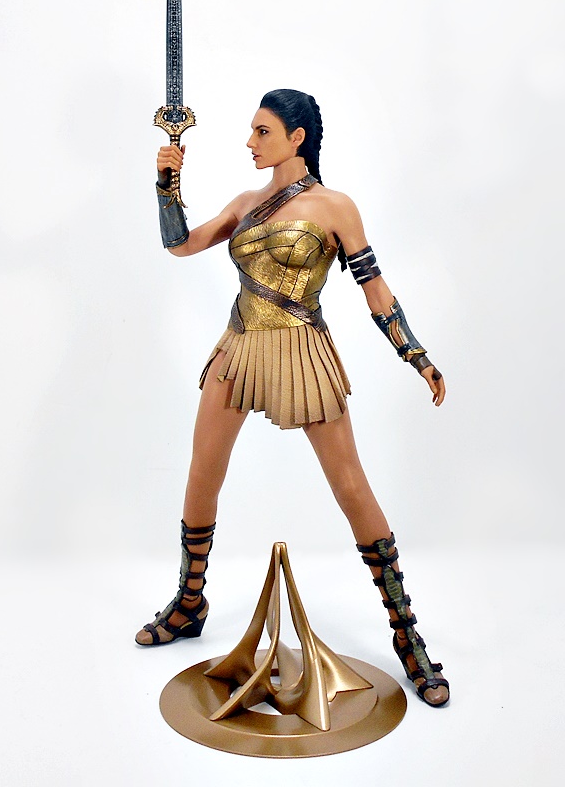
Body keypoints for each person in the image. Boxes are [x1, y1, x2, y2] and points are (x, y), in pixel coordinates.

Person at [136, 89, 450, 707]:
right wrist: (167, 187)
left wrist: (415, 354)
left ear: (297, 136)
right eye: (251, 131)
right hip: (238, 346)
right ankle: (190, 602)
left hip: (302, 350)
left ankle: (406, 633)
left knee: (350, 485)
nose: (250, 142)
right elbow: (181, 245)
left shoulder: (335, 207)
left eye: (262, 131)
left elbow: (375, 289)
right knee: (203, 470)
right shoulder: (245, 204)